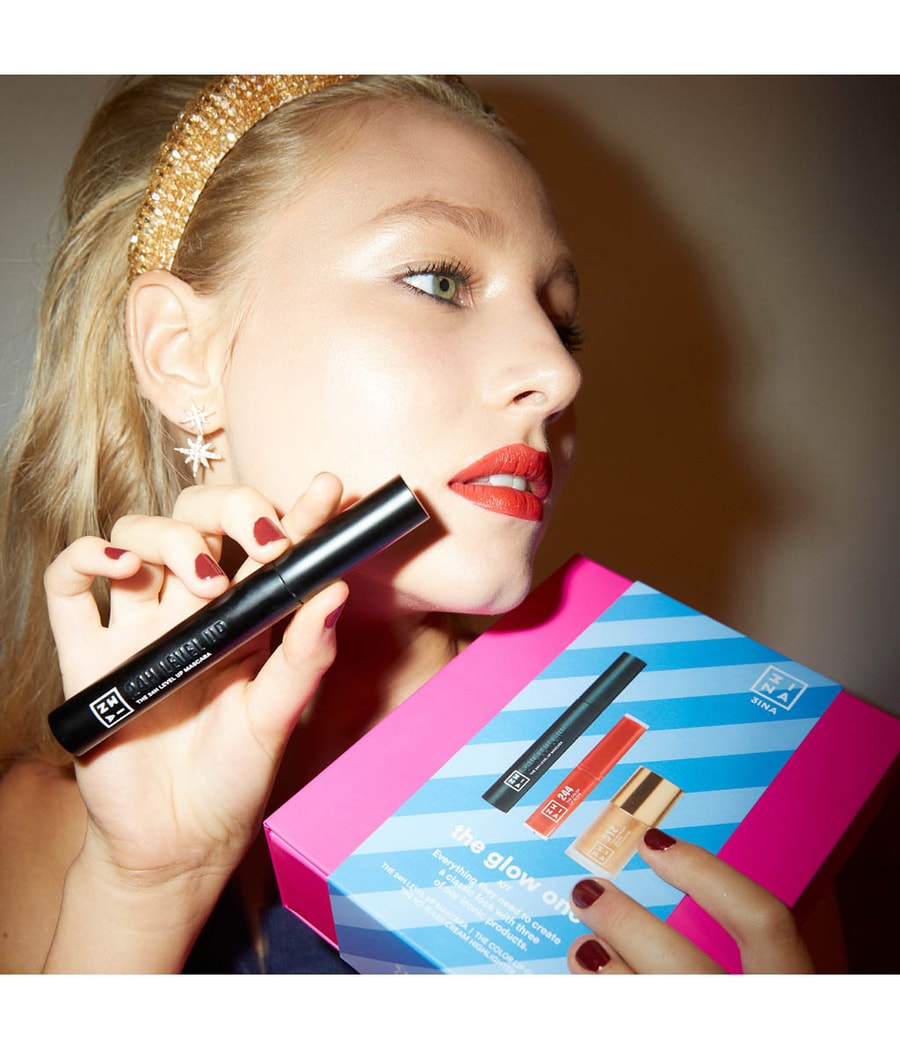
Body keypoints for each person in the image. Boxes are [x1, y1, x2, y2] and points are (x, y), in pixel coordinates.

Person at [0, 74, 813, 974]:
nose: (557, 374)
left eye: (561, 323)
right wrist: (148, 892)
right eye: (439, 281)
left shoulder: (725, 774)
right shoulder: (48, 840)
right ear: (181, 352)